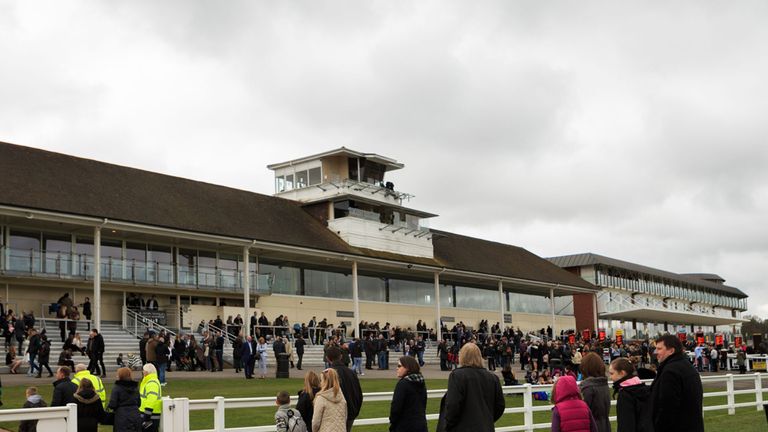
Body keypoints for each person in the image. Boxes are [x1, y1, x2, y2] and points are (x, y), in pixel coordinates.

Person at [437, 343, 505, 432]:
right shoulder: (493, 378)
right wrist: (486, 420)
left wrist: (448, 425)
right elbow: (499, 406)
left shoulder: (457, 376)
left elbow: (453, 405)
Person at [650, 334, 704, 432]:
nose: (655, 352)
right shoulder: (687, 366)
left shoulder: (670, 371)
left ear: (671, 351)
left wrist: (658, 427)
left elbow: (667, 407)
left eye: (659, 349)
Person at [609, 358, 652, 432]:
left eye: (612, 373)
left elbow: (626, 424)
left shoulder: (625, 394)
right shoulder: (645, 389)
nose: (610, 377)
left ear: (622, 373)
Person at [326, 346, 363, 432]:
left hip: (337, 415)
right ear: (341, 356)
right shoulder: (351, 373)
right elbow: (359, 395)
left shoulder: (328, 374)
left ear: (327, 358)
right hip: (350, 413)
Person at [389, 355, 427, 432]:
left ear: (407, 368)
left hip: (405, 426)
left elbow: (396, 407)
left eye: (399, 366)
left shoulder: (403, 384)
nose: (397, 368)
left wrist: (392, 422)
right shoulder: (421, 382)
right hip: (421, 425)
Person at [578, 352, 610, 432]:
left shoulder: (587, 387)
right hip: (605, 426)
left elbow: (583, 413)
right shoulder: (604, 385)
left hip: (592, 427)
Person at [107, 367, 142, 432]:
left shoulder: (117, 388)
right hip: (135, 414)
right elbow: (139, 403)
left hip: (121, 415)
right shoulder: (135, 388)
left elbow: (112, 404)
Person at [312, 368, 347, 432]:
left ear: (325, 381)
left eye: (321, 380)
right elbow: (345, 417)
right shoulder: (342, 396)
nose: (320, 383)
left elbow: (316, 422)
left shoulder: (321, 398)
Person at [139, 363, 162, 432]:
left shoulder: (152, 383)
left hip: (150, 416)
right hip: (149, 415)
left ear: (147, 372)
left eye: (143, 370)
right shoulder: (149, 381)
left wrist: (147, 415)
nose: (142, 372)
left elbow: (151, 399)